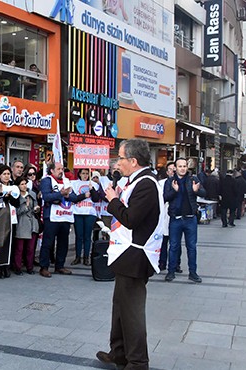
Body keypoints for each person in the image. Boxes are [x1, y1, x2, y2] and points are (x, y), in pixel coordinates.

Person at [96, 139, 164, 370]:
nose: (118, 162)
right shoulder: (135, 181)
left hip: (136, 255)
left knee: (132, 312)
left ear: (133, 161)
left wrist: (113, 201)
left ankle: (137, 362)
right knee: (120, 307)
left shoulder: (146, 184)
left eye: (121, 158)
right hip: (126, 254)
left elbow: (131, 219)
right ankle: (119, 353)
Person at [163, 158, 206, 283]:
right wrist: (174, 192)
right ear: (175, 168)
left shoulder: (193, 179)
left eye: (184, 166)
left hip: (190, 218)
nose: (182, 168)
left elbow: (204, 192)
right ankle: (171, 272)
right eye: (180, 166)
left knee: (191, 247)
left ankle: (193, 273)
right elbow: (165, 197)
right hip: (175, 219)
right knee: (173, 246)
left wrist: (196, 190)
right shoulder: (170, 181)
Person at [38, 162, 79, 278]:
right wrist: (60, 193)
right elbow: (46, 197)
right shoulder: (47, 180)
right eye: (59, 169)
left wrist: (65, 195)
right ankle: (44, 267)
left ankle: (60, 265)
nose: (61, 171)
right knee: (48, 242)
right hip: (52, 216)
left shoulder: (67, 181)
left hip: (65, 216)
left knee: (63, 242)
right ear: (52, 170)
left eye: (62, 169)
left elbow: (74, 197)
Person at [0, 164, 21, 278]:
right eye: (4, 174)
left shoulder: (14, 187)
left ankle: (7, 266)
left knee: (10, 243)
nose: (6, 176)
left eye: (8, 174)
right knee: (0, 243)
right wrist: (0, 195)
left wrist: (9, 198)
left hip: (11, 219)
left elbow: (17, 203)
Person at [71, 169, 101, 266]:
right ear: (79, 174)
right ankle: (78, 256)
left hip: (90, 213)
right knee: (79, 236)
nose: (85, 175)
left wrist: (92, 189)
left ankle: (86, 257)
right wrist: (84, 195)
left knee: (87, 236)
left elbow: (96, 199)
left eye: (87, 173)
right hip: (78, 212)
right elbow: (74, 198)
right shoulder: (74, 183)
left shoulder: (93, 184)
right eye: (83, 173)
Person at [12, 177, 39, 274]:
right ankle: (18, 267)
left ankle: (30, 267)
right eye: (22, 184)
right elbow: (17, 211)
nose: (24, 186)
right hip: (22, 223)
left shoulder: (32, 194)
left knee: (31, 248)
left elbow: (36, 205)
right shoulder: (16, 196)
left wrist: (36, 208)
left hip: (32, 223)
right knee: (19, 248)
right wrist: (26, 206)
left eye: (25, 184)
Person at [157, 162, 175, 271]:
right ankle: (162, 262)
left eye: (174, 169)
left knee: (175, 242)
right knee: (163, 241)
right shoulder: (160, 183)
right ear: (167, 171)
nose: (172, 171)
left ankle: (175, 264)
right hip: (163, 215)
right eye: (170, 169)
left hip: (175, 216)